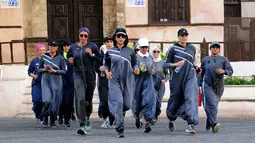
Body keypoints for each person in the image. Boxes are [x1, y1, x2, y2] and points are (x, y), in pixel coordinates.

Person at [104, 28, 139, 138]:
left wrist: (136, 69)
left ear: (125, 38)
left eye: (123, 36)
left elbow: (135, 63)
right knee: (118, 102)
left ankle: (118, 113)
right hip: (114, 79)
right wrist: (106, 72)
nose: (120, 38)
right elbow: (106, 64)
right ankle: (120, 128)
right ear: (115, 37)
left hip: (128, 80)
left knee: (127, 104)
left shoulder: (130, 51)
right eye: (118, 36)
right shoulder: (110, 51)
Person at [67, 27, 102, 135]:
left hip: (90, 74)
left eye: (85, 35)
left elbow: (100, 59)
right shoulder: (73, 47)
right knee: (80, 99)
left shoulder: (93, 46)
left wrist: (92, 55)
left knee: (88, 99)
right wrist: (70, 61)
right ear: (79, 36)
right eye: (81, 35)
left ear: (88, 36)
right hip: (78, 74)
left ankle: (87, 116)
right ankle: (82, 123)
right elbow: (69, 59)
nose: (83, 37)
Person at [165, 28, 199, 134]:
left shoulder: (192, 48)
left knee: (190, 98)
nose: (184, 37)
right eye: (182, 35)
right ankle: (171, 118)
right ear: (178, 36)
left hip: (190, 77)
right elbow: (166, 64)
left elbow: (191, 61)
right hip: (177, 79)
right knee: (175, 100)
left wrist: (196, 67)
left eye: (186, 35)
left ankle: (191, 124)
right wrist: (175, 64)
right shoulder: (173, 49)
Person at [198, 42, 233, 133]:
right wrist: (198, 84)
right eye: (213, 47)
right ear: (210, 49)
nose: (215, 49)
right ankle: (214, 123)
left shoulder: (223, 60)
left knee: (214, 105)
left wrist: (223, 71)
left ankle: (209, 120)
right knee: (211, 104)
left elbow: (230, 71)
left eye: (217, 48)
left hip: (219, 86)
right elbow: (201, 73)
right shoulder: (205, 59)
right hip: (207, 84)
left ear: (219, 49)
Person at [38, 41, 67, 127]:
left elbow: (64, 71)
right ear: (49, 47)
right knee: (47, 100)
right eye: (51, 46)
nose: (52, 48)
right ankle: (45, 116)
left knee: (55, 101)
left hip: (57, 80)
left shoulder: (60, 57)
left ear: (57, 48)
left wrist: (55, 71)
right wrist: (44, 69)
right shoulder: (44, 57)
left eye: (54, 46)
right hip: (46, 79)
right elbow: (39, 69)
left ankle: (53, 119)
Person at [132, 38, 156, 133]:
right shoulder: (135, 57)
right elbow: (133, 67)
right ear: (139, 47)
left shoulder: (150, 57)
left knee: (149, 99)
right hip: (138, 81)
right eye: (143, 47)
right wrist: (136, 70)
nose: (144, 49)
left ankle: (147, 122)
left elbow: (153, 67)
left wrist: (153, 71)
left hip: (148, 80)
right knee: (137, 102)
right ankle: (137, 117)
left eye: (146, 47)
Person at [97, 36, 115, 128]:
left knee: (112, 100)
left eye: (111, 41)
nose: (109, 43)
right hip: (103, 80)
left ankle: (113, 119)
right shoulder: (101, 54)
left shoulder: (116, 54)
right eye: (107, 42)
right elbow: (95, 65)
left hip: (113, 79)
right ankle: (106, 118)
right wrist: (99, 68)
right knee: (104, 100)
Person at [27, 44, 47, 123]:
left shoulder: (48, 60)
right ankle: (36, 110)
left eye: (43, 50)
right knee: (36, 100)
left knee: (43, 101)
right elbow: (29, 72)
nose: (42, 52)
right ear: (37, 51)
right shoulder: (34, 61)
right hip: (36, 84)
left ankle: (41, 116)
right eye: (40, 50)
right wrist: (33, 75)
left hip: (45, 84)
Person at [58, 41, 74, 127]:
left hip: (71, 83)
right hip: (62, 82)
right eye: (65, 45)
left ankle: (67, 119)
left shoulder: (73, 57)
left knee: (69, 102)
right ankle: (60, 116)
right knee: (62, 101)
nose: (66, 47)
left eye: (68, 45)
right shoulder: (60, 57)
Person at [151, 46, 169, 122]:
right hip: (152, 83)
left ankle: (157, 112)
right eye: (154, 51)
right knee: (153, 100)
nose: (156, 53)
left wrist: (165, 80)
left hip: (161, 84)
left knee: (159, 101)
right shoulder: (150, 61)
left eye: (158, 51)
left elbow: (168, 74)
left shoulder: (163, 62)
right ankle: (153, 116)